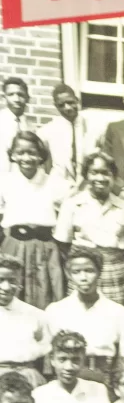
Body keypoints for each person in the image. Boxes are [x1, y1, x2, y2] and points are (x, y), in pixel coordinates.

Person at [56, 156, 124, 313]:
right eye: (94, 172)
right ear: (86, 176)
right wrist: (82, 264)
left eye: (106, 173)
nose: (100, 178)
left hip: (117, 272)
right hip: (84, 271)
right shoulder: (72, 205)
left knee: (117, 317)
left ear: (114, 177)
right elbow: (63, 244)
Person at [0, 129, 67, 307]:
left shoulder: (54, 183)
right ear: (13, 155)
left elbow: (68, 211)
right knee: (12, 291)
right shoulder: (5, 182)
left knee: (45, 292)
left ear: (40, 156)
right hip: (13, 245)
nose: (26, 158)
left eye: (32, 152)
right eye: (20, 152)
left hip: (45, 248)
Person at [46, 247, 124, 372]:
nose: (83, 277)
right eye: (76, 272)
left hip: (104, 374)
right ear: (68, 274)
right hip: (70, 374)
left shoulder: (117, 311)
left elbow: (123, 354)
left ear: (99, 272)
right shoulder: (56, 310)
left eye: (89, 271)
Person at [0, 259, 50, 375]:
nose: (6, 287)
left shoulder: (35, 315)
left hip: (25, 374)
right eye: (0, 280)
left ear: (19, 283)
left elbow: (45, 348)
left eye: (12, 281)